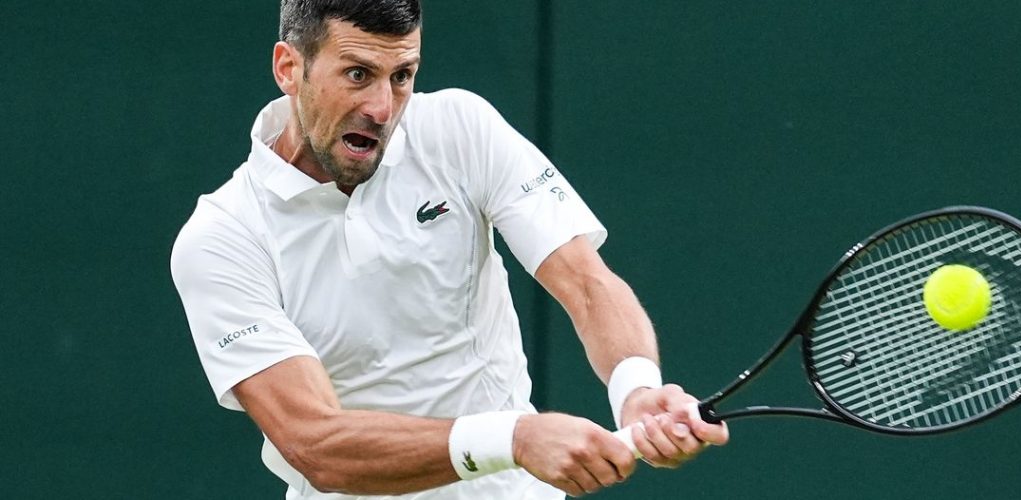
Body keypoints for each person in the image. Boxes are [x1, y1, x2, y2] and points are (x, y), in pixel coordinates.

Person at [170, 1, 728, 498]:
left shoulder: (460, 129)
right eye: (358, 74)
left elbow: (586, 282)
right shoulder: (222, 238)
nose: (382, 108)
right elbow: (315, 443)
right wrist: (513, 438)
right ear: (289, 68)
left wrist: (637, 389)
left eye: (402, 76)